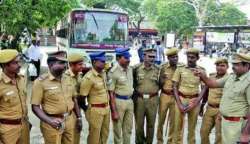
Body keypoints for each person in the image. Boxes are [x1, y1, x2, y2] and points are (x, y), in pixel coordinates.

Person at [194, 53, 250, 144]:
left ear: (246, 65)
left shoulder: (248, 82)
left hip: (236, 125)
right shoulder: (231, 77)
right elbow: (212, 84)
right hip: (225, 121)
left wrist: (246, 133)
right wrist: (203, 75)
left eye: (237, 64)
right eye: (233, 64)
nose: (233, 67)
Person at [31, 54, 79, 144]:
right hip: (53, 123)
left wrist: (79, 118)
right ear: (51, 65)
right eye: (61, 63)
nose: (65, 65)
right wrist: (50, 121)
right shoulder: (40, 82)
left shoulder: (68, 79)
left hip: (69, 120)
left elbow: (73, 99)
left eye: (65, 63)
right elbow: (35, 107)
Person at [172, 48, 206, 144]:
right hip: (181, 99)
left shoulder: (201, 71)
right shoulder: (180, 69)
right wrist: (179, 104)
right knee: (177, 127)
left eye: (192, 57)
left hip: (194, 101)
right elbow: (174, 87)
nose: (190, 59)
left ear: (197, 58)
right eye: (188, 57)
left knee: (192, 127)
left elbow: (204, 88)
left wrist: (197, 101)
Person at [79, 51, 110, 144]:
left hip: (106, 109)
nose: (104, 63)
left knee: (105, 134)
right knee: (94, 136)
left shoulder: (103, 73)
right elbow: (81, 97)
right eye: (102, 61)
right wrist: (87, 110)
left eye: (104, 61)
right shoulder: (88, 78)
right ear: (94, 62)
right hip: (95, 110)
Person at [0, 49, 30, 144]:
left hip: (24, 126)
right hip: (8, 130)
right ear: (5, 65)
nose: (19, 65)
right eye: (15, 63)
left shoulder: (21, 79)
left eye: (19, 61)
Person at [133, 47, 160, 144]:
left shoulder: (158, 69)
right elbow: (133, 83)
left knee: (151, 124)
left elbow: (161, 84)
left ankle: (149, 142)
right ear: (144, 56)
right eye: (150, 56)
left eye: (153, 57)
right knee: (139, 125)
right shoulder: (136, 69)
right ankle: (139, 142)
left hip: (153, 99)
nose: (152, 59)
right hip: (139, 99)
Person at [157, 48, 183, 144]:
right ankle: (159, 140)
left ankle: (170, 141)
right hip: (165, 96)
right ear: (168, 58)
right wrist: (162, 80)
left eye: (176, 56)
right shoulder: (163, 67)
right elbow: (159, 83)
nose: (175, 59)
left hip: (176, 97)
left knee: (173, 121)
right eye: (173, 57)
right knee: (161, 120)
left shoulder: (181, 67)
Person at [199, 58, 229, 144]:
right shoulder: (211, 77)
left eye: (222, 66)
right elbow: (206, 93)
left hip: (221, 111)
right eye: (217, 65)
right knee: (203, 132)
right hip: (209, 109)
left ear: (227, 66)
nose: (219, 67)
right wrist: (201, 106)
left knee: (219, 136)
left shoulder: (229, 79)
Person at [108, 48, 134, 144]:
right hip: (119, 102)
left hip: (130, 101)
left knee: (128, 129)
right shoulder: (113, 72)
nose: (128, 60)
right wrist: (114, 111)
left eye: (129, 58)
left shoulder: (130, 69)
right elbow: (111, 93)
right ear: (118, 58)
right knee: (118, 130)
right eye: (126, 58)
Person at [65, 53, 84, 144]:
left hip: (78, 109)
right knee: (70, 136)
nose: (82, 66)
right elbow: (73, 97)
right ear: (71, 65)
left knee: (77, 135)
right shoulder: (66, 77)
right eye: (80, 64)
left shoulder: (79, 75)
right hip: (70, 111)